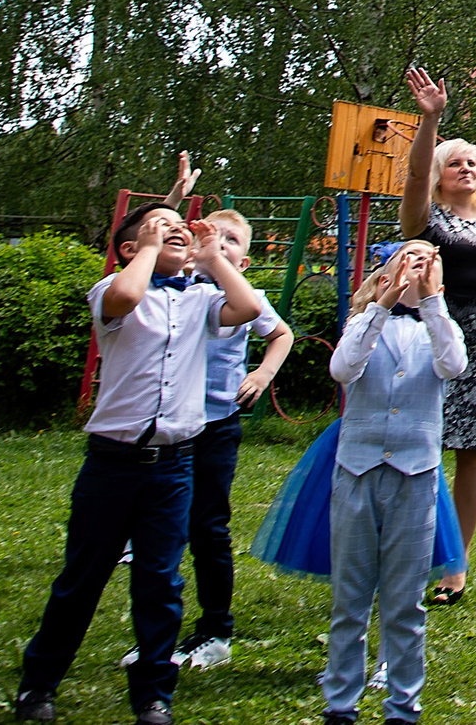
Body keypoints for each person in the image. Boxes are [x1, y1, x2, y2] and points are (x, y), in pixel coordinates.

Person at [15, 203, 262, 725]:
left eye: (178, 225)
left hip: (174, 465)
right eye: (157, 225)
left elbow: (248, 310)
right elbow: (127, 294)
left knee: (161, 582)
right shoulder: (112, 291)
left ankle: (153, 693)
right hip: (112, 463)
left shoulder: (199, 298)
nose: (174, 228)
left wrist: (214, 257)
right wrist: (150, 248)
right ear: (128, 249)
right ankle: (39, 684)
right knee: (82, 578)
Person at [141, 208, 291, 676]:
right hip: (169, 427)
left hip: (216, 425)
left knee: (208, 528)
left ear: (243, 264)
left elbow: (280, 334)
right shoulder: (179, 290)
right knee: (162, 530)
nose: (220, 242)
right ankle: (158, 636)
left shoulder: (245, 296)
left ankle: (216, 630)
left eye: (232, 240)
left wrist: (263, 373)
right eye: (215, 235)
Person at [322, 240, 466, 725]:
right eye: (409, 258)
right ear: (384, 278)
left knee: (405, 602)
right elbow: (343, 369)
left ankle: (403, 706)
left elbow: (455, 365)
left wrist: (431, 302)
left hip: (414, 479)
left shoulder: (440, 327)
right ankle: (340, 704)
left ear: (439, 283)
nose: (419, 266)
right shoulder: (362, 324)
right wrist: (382, 305)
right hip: (357, 473)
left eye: (430, 262)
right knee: (351, 599)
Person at [398, 67, 476, 604]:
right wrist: (431, 122)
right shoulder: (428, 222)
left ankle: (456, 564)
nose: (466, 168)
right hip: (433, 331)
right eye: (455, 163)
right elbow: (410, 186)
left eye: (473, 162)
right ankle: (409, 551)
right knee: (421, 444)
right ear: (440, 176)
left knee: (473, 450)